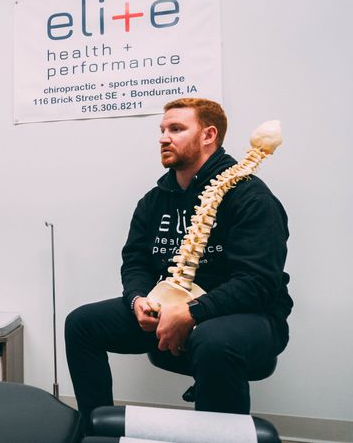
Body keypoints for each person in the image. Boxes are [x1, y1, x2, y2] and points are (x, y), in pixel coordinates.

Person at [64, 98, 292, 433]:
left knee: (213, 341)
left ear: (208, 135)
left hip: (248, 315)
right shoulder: (155, 200)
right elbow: (136, 261)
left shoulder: (251, 198)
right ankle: (96, 432)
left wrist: (192, 313)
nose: (163, 137)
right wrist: (137, 299)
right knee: (81, 323)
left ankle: (219, 440)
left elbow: (257, 282)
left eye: (176, 129)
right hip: (170, 307)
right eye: (162, 130)